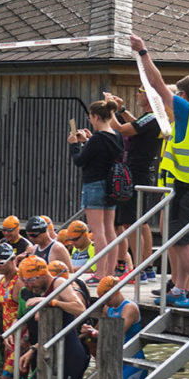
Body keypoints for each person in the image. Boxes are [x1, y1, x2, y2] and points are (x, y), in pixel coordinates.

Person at [133, 33, 189, 308]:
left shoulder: (187, 111)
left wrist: (143, 52)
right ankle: (179, 289)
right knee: (187, 240)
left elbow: (157, 83)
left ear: (182, 96)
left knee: (179, 241)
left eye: (175, 94)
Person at [17, 255, 89, 379]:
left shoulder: (58, 284)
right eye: (24, 282)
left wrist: (50, 301)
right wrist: (33, 349)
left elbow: (80, 308)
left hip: (70, 356)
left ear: (42, 275)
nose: (28, 287)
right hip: (50, 351)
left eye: (30, 282)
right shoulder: (39, 289)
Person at [111, 88, 164, 278]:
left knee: (130, 222)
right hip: (146, 171)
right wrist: (122, 109)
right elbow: (137, 124)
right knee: (141, 222)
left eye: (140, 92)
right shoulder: (153, 118)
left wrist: (110, 111)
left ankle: (139, 268)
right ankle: (147, 266)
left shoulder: (151, 117)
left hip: (137, 172)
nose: (137, 95)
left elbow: (122, 128)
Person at [69, 98, 124, 279]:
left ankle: (99, 273)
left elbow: (80, 160)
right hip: (111, 186)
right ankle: (109, 272)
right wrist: (88, 141)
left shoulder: (98, 139)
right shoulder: (116, 136)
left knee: (98, 231)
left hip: (94, 184)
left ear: (95, 116)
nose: (90, 121)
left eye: (91, 118)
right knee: (110, 229)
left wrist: (75, 145)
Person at [81, 275, 145, 379]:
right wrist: (88, 329)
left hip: (132, 358)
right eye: (103, 299)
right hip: (114, 357)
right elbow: (98, 330)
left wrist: (95, 333)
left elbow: (117, 333)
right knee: (88, 339)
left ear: (116, 292)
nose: (106, 302)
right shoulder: (107, 308)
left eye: (107, 299)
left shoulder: (129, 307)